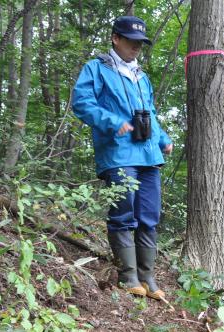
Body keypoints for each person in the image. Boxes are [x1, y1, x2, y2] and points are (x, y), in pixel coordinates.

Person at [72, 15, 172, 299]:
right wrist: (111, 121)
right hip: (118, 154)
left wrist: (163, 139)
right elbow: (81, 103)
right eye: (131, 41)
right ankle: (128, 276)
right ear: (116, 38)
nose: (137, 47)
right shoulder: (96, 68)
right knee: (123, 213)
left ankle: (148, 277)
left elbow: (150, 113)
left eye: (141, 43)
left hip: (149, 155)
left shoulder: (142, 77)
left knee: (149, 216)